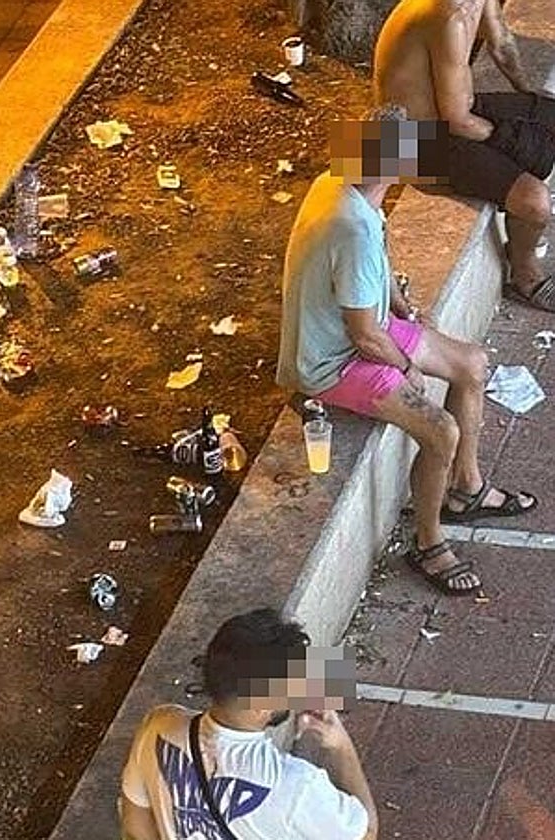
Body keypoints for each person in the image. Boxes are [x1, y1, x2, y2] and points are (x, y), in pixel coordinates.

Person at [277, 107, 537, 596]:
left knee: (473, 366)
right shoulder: (348, 228)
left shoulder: (346, 185)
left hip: (365, 328)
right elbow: (365, 337)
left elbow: (377, 244)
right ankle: (428, 542)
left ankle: (467, 486)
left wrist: (398, 301)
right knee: (441, 429)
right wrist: (406, 367)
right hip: (333, 363)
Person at [119, 609, 377, 840]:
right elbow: (366, 834)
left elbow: (136, 828)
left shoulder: (158, 725)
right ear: (262, 704)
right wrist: (341, 746)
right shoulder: (297, 785)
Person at [374, 0, 555, 310]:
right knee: (535, 201)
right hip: (406, 144)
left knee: (546, 119)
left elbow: (501, 44)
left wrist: (528, 95)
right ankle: (526, 276)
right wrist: (511, 139)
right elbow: (458, 120)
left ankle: (520, 222)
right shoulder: (450, 15)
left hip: (446, 117)